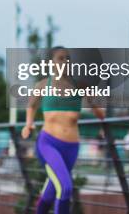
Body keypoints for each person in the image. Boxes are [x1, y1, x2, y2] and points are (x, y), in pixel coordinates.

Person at [21, 46, 105, 214]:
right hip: (48, 144)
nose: (65, 62)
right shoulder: (43, 85)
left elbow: (101, 114)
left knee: (51, 191)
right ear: (51, 63)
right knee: (65, 188)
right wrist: (28, 124)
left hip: (71, 148)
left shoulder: (80, 86)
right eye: (60, 58)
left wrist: (93, 102)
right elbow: (31, 106)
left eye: (68, 58)